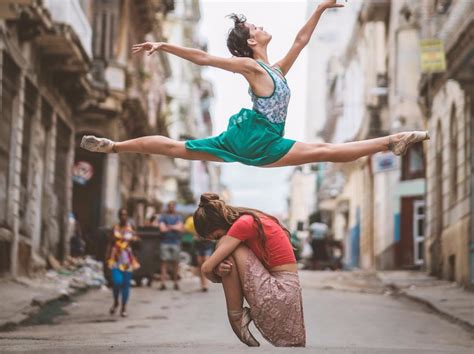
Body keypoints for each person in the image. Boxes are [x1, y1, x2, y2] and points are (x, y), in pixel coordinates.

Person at [80, 0, 429, 167]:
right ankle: (392, 141)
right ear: (250, 42)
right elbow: (203, 58)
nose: (261, 26)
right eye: (255, 28)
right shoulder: (251, 66)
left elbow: (300, 42)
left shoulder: (273, 70)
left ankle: (113, 146)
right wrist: (165, 45)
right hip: (258, 139)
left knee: (177, 147)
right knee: (325, 151)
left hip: (259, 142)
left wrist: (321, 9)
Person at [193, 193, 305, 347]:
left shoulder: (243, 224)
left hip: (280, 292)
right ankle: (238, 316)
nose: (218, 239)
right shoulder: (250, 219)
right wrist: (218, 270)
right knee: (225, 254)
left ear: (218, 223)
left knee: (227, 252)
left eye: (216, 235)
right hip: (286, 295)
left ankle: (236, 317)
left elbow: (206, 268)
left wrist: (215, 273)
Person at [107, 208, 140, 317]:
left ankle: (123, 307)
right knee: (117, 282)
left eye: (125, 214)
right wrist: (106, 257)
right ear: (119, 216)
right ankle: (116, 302)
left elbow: (138, 242)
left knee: (126, 284)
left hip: (127, 259)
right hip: (116, 258)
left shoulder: (131, 228)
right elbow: (110, 243)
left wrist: (135, 239)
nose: (123, 216)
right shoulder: (114, 228)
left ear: (127, 216)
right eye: (121, 214)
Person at [184, 215, 214, 292]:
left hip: (207, 244)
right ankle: (202, 283)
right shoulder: (195, 222)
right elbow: (191, 231)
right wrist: (196, 236)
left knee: (205, 263)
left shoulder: (209, 222)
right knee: (200, 264)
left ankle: (205, 284)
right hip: (199, 245)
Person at [158, 201, 184, 291]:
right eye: (170, 206)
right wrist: (174, 227)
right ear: (167, 207)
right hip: (165, 242)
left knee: (175, 263)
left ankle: (175, 283)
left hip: (175, 242)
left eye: (173, 206)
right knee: (164, 263)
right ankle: (163, 283)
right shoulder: (163, 217)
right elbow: (162, 229)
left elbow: (180, 228)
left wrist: (169, 227)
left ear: (175, 207)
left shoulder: (178, 217)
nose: (171, 208)